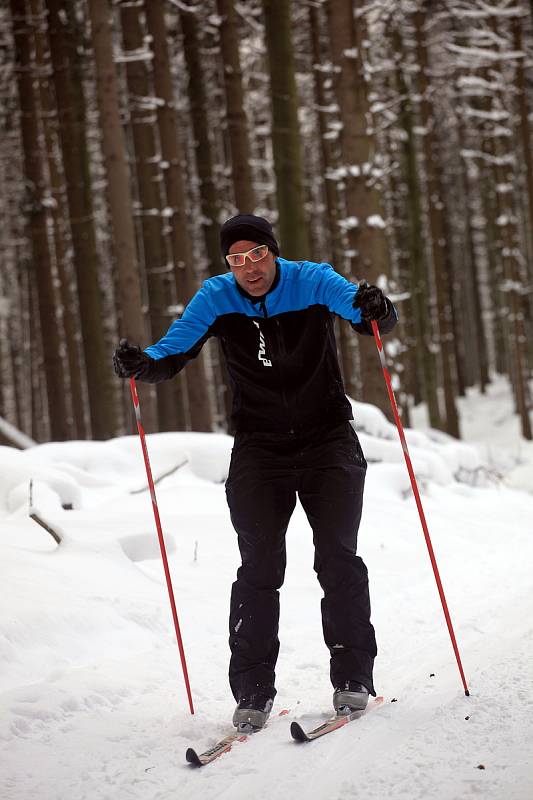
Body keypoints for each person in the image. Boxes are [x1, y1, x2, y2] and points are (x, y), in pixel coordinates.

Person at [113, 213, 397, 731]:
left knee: (337, 559)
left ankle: (353, 679)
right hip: (259, 449)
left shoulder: (312, 280)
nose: (249, 268)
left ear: (274, 252)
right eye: (237, 259)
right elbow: (173, 350)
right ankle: (252, 693)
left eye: (257, 255)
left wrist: (376, 307)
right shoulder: (216, 297)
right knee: (259, 570)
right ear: (228, 264)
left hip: (327, 439)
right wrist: (143, 364)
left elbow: (362, 312)